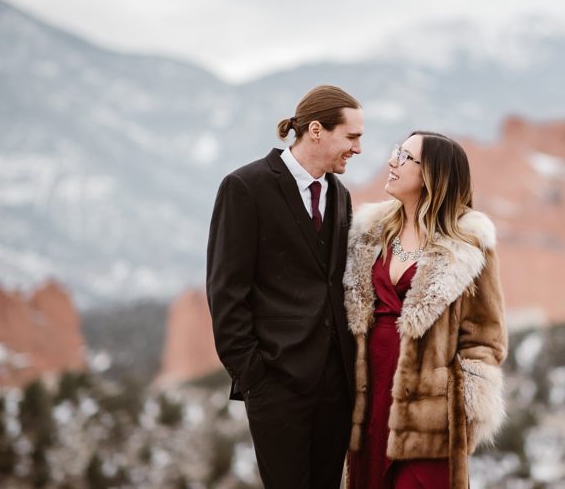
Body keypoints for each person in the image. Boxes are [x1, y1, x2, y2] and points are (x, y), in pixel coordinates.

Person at [206, 84, 364, 489]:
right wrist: (254, 377)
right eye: (352, 137)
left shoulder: (340, 196)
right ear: (316, 130)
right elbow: (226, 291)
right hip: (276, 385)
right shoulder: (245, 187)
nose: (358, 149)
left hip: (336, 387)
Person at [343, 131, 507, 489]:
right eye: (396, 152)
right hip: (368, 400)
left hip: (428, 415)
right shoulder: (369, 233)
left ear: (433, 174)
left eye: (404, 157)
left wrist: (458, 408)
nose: (391, 161)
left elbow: (486, 339)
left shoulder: (468, 246)